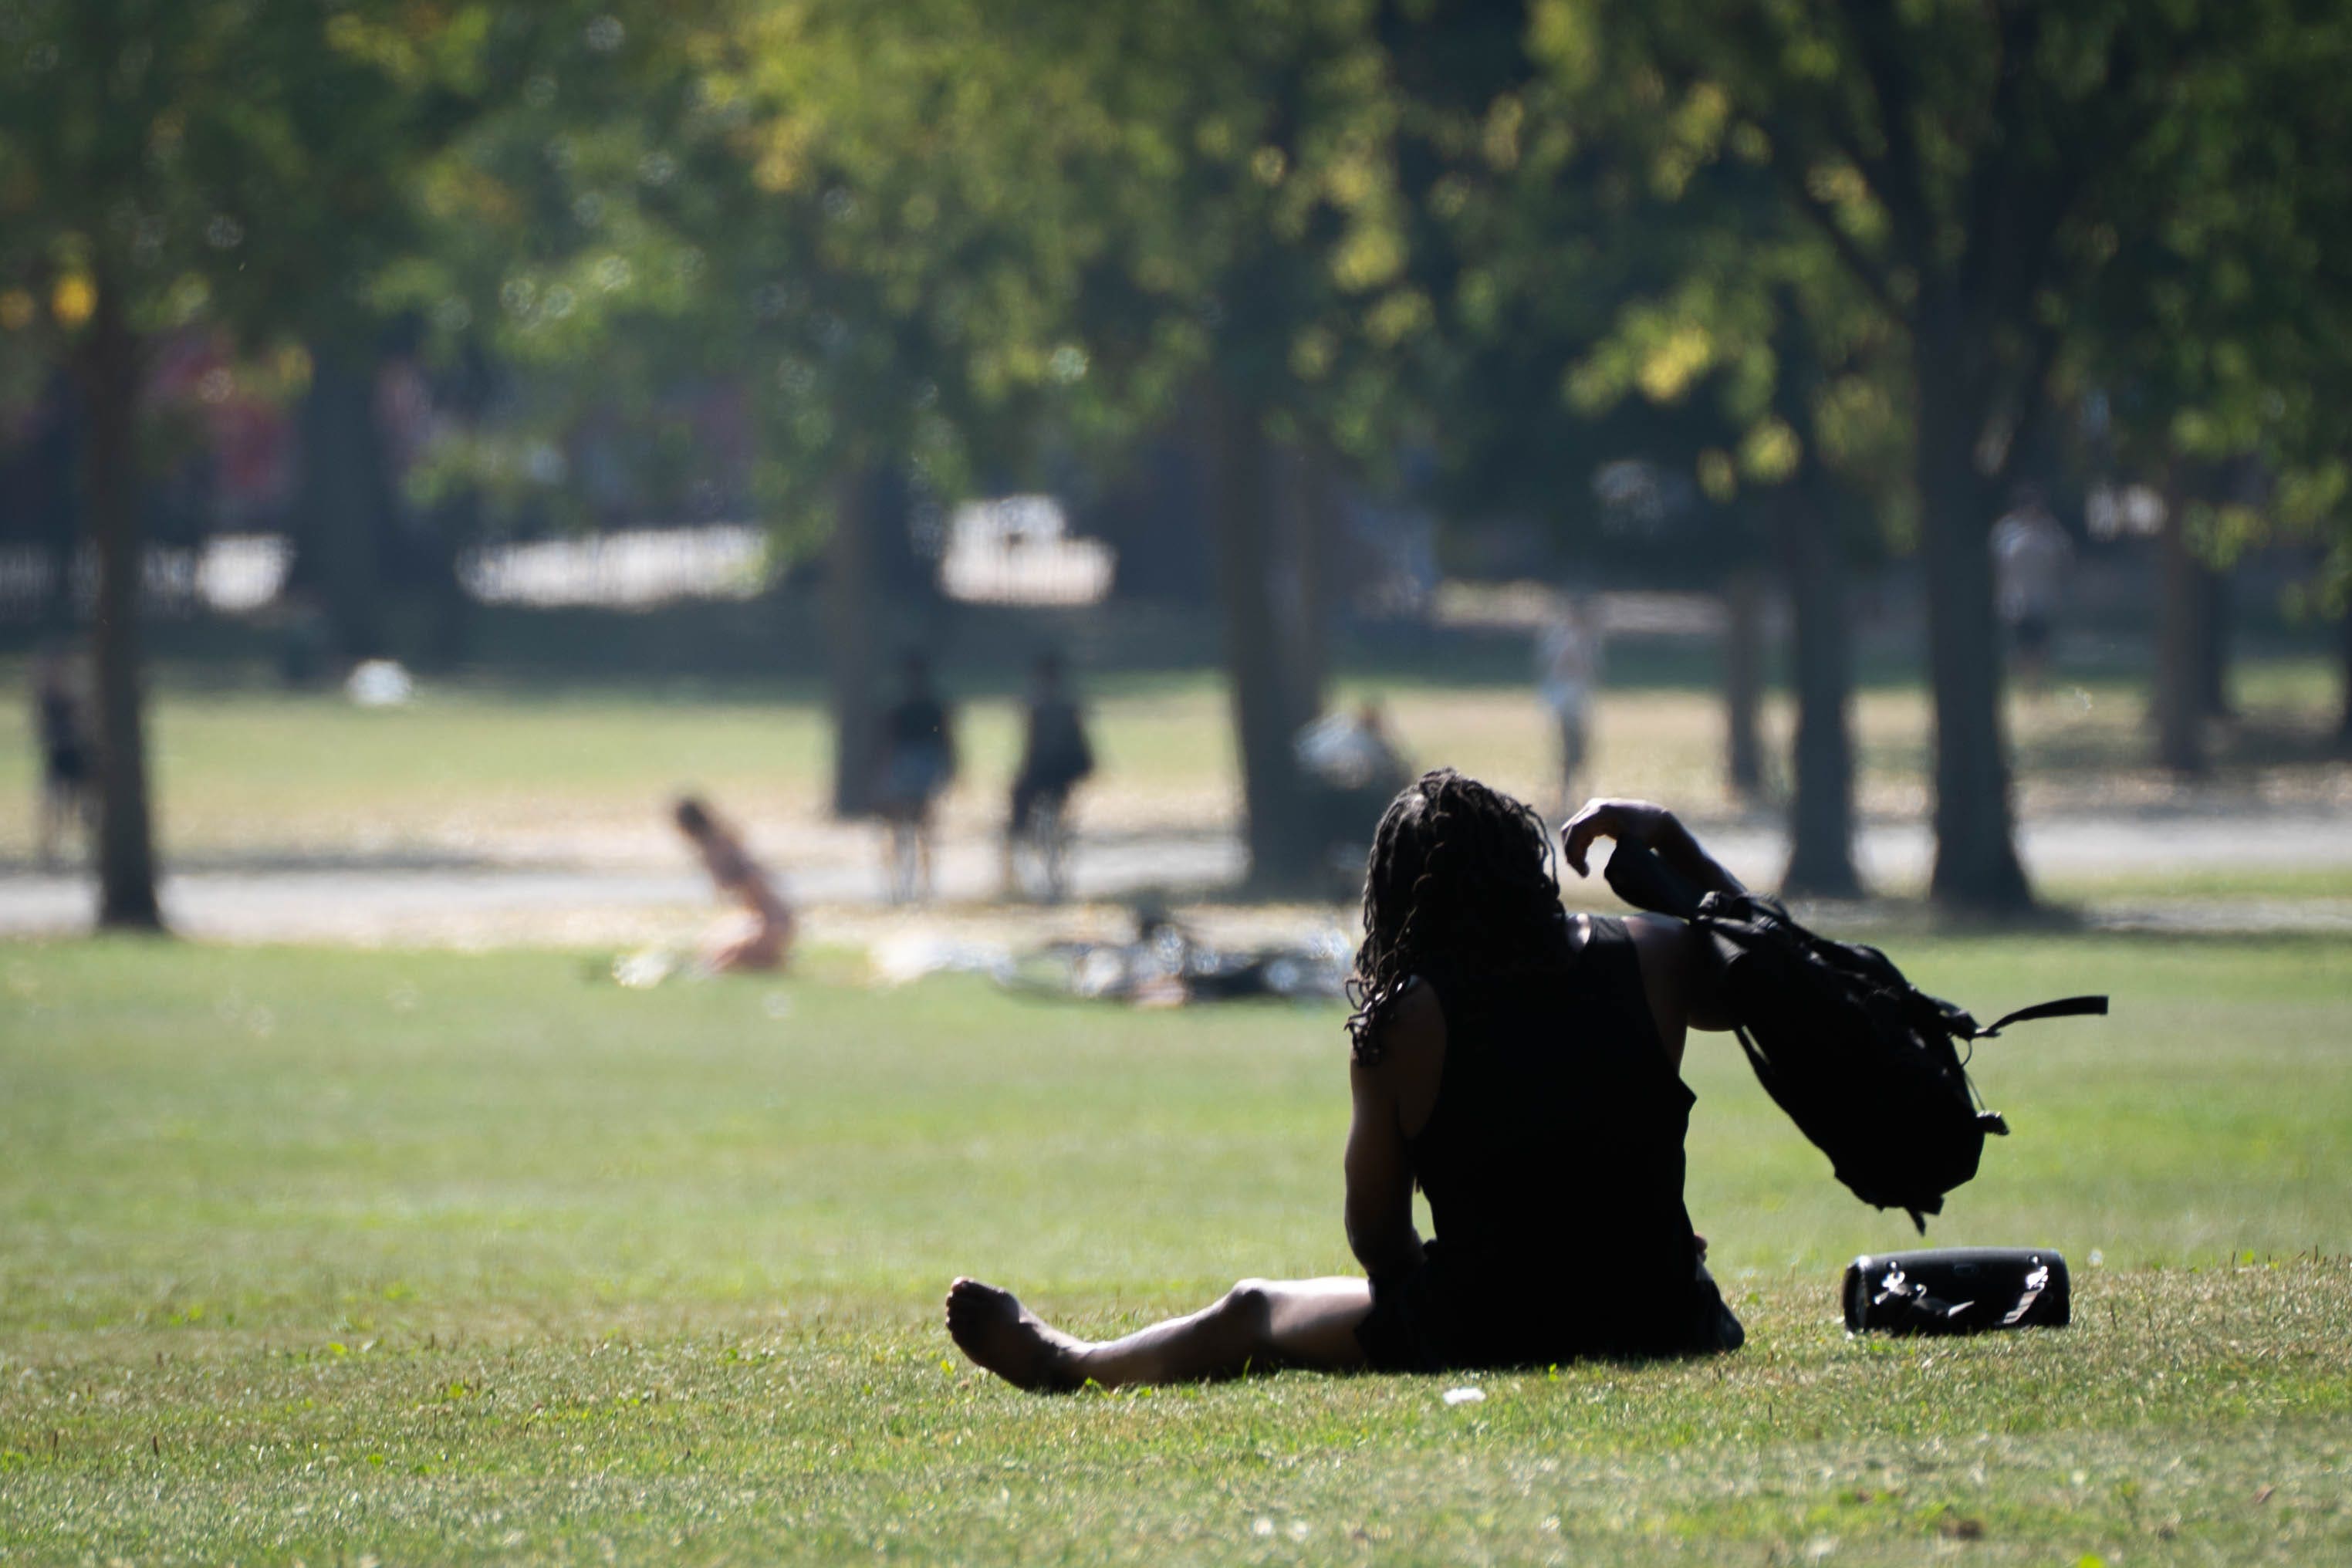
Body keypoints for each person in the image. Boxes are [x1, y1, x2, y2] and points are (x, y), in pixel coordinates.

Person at [945, 772, 1748, 1389]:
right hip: (1665, 1313)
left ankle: (1070, 1361)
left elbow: (1376, 1234)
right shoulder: (1654, 955)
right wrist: (1674, 840)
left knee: (1253, 1308)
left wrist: (1438, 1301)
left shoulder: (1406, 1022)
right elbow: (1783, 966)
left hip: (1490, 1324)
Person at [1003, 651, 1094, 900]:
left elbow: (1033, 747)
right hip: (1059, 773)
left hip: (1048, 773)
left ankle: (1045, 874)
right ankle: (1054, 875)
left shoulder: (1038, 705)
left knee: (1042, 825)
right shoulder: (1066, 703)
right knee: (1056, 827)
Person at [671, 796, 796, 973]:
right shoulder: (722, 841)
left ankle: (768, 959)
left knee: (719, 961)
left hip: (770, 923)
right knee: (706, 945)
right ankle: (769, 960)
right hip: (761, 918)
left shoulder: (718, 850)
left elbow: (751, 887)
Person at [873, 652, 957, 903]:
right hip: (924, 767)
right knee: (920, 831)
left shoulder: (898, 705)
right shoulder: (932, 704)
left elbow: (886, 744)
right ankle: (921, 886)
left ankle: (904, 886)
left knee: (904, 830)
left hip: (906, 768)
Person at [1991, 486, 2073, 696]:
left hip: (2043, 599)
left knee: (2040, 646)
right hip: (2015, 602)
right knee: (2022, 646)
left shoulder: (2050, 533)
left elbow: (2064, 563)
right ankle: (2027, 685)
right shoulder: (2007, 533)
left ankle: (2037, 684)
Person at [1536, 593, 1603, 816]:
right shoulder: (1564, 638)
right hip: (1566, 704)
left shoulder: (1586, 639)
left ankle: (1581, 797)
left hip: (1579, 704)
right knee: (1567, 753)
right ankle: (1564, 799)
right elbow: (1565, 666)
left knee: (1581, 753)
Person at [32, 643, 93, 870]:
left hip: (78, 754)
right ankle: (50, 852)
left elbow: (86, 723)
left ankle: (90, 849)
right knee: (55, 804)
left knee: (84, 804)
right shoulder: (48, 699)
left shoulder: (77, 695)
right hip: (57, 755)